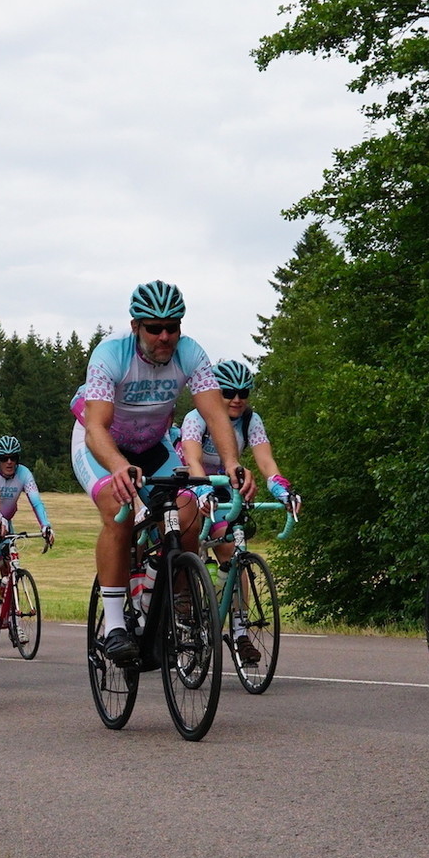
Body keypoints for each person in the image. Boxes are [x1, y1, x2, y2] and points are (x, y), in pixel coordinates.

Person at [73, 280, 254, 666]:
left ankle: (165, 599)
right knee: (118, 512)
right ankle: (116, 626)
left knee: (188, 515)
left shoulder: (191, 353)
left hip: (153, 447)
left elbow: (215, 416)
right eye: (154, 328)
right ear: (135, 326)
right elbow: (95, 428)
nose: (165, 336)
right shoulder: (110, 354)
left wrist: (232, 463)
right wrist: (118, 466)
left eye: (172, 327)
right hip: (103, 446)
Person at [180, 358, 297, 665]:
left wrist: (282, 490)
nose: (236, 399)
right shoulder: (196, 417)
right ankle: (185, 604)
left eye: (243, 392)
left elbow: (266, 462)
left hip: (225, 487)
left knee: (234, 554)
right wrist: (201, 490)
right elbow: (192, 459)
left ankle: (239, 631)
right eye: (228, 392)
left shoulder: (250, 420)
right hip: (192, 483)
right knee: (187, 544)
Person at [0, 436, 52, 582]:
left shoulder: (24, 473)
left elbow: (36, 502)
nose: (9, 462)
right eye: (4, 458)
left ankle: (6, 592)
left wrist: (45, 525)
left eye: (13, 457)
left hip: (5, 521)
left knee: (8, 565)